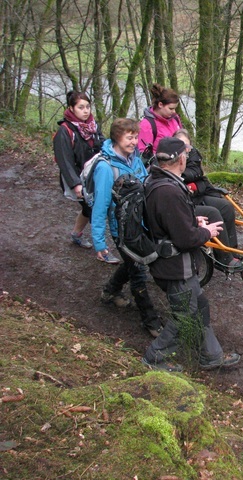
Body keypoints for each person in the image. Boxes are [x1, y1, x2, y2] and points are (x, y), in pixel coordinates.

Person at [142, 137, 241, 372]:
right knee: (185, 314)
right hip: (175, 266)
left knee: (200, 305)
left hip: (177, 264)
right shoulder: (168, 191)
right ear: (181, 159)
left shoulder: (160, 181)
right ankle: (154, 357)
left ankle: (211, 355)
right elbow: (185, 239)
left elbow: (167, 220)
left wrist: (190, 220)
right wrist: (205, 231)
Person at [91, 118, 164, 337]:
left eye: (135, 136)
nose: (133, 141)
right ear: (116, 137)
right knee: (138, 271)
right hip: (121, 228)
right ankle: (150, 321)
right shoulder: (106, 167)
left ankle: (110, 290)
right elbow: (100, 204)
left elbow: (145, 184)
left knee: (132, 262)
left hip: (139, 222)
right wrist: (99, 241)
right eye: (129, 137)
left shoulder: (135, 160)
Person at [172, 129, 242, 271]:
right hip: (186, 202)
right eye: (181, 146)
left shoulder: (192, 157)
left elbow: (202, 180)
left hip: (197, 196)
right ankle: (224, 259)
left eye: (187, 146)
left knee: (226, 207)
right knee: (213, 213)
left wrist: (194, 185)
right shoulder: (171, 162)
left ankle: (232, 251)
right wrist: (190, 185)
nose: (185, 150)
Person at [53, 91, 105, 250]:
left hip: (93, 175)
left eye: (88, 106)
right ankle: (101, 246)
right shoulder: (65, 130)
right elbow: (65, 160)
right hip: (76, 177)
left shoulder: (93, 126)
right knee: (92, 208)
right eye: (81, 107)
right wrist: (75, 184)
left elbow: (102, 146)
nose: (85, 110)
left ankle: (76, 234)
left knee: (88, 207)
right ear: (71, 108)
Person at [138, 83, 183, 155]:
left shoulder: (175, 118)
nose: (174, 111)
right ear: (160, 105)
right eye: (171, 108)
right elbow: (143, 154)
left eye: (175, 108)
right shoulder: (146, 125)